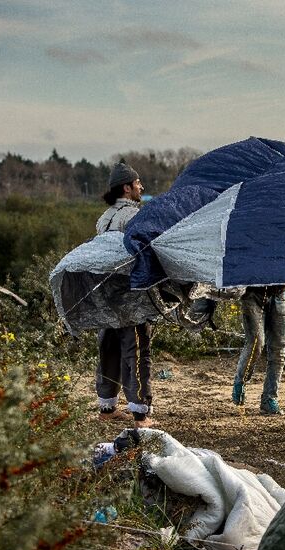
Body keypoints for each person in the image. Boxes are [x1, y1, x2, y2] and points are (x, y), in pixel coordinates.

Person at [94, 162, 154, 427]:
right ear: (127, 187)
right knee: (137, 349)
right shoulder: (133, 216)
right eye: (138, 183)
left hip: (105, 295)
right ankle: (141, 415)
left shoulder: (104, 218)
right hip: (130, 295)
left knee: (109, 348)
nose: (142, 187)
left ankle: (107, 408)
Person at [231, 285, 285, 415]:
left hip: (279, 294)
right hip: (252, 294)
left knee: (279, 350)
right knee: (256, 344)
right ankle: (240, 383)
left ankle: (269, 398)